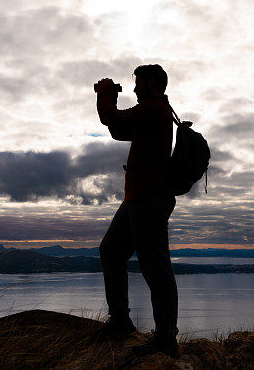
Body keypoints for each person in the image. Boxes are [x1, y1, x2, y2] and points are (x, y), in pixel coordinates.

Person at [94, 64, 179, 358]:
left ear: (153, 82)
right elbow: (118, 129)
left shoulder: (154, 109)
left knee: (156, 269)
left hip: (149, 197)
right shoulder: (151, 113)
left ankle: (166, 338)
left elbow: (110, 118)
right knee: (111, 251)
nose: (133, 87)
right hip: (137, 197)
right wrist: (111, 101)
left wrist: (105, 91)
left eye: (138, 81)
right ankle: (120, 321)